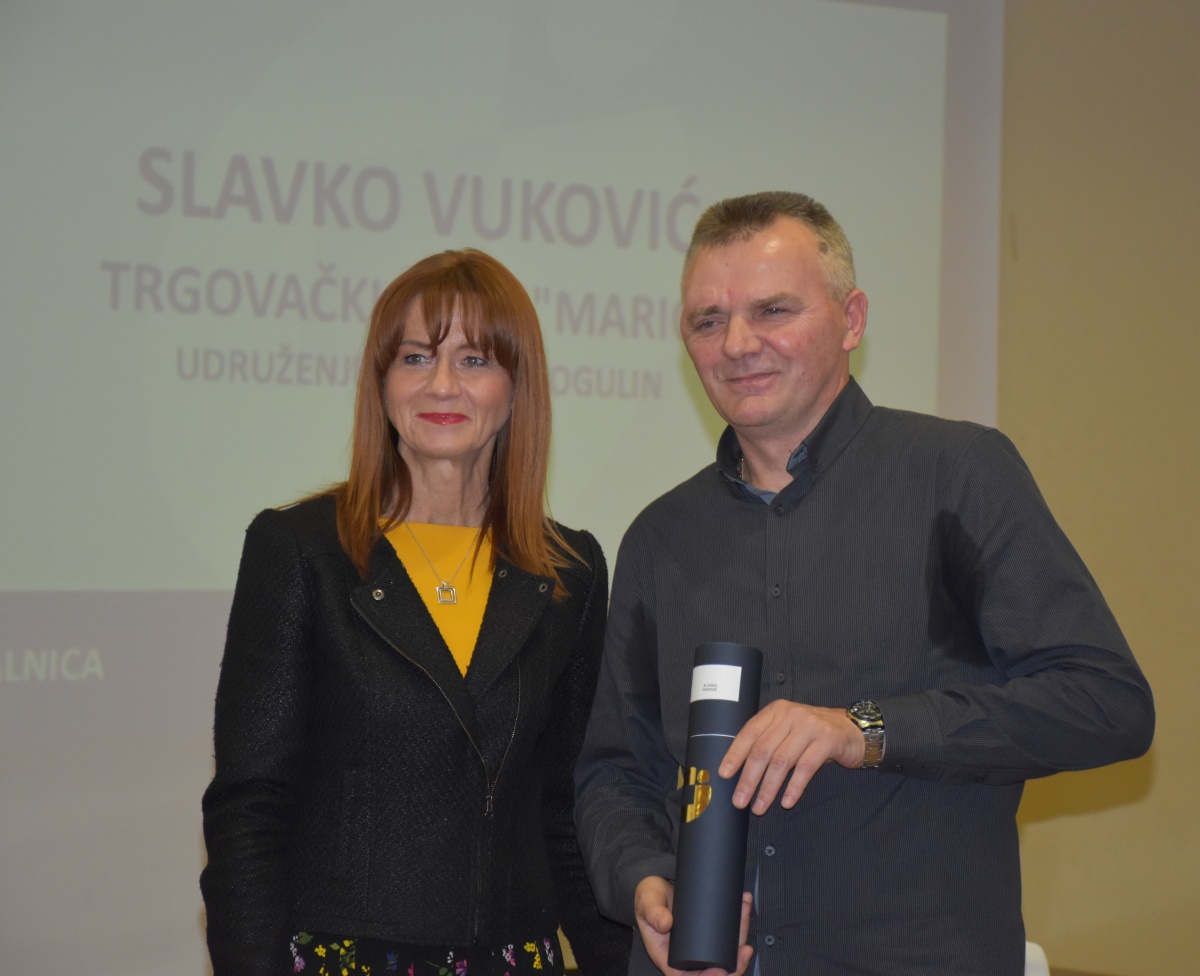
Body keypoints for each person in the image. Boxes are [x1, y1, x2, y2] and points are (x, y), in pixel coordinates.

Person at [573, 191, 1155, 976]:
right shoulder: (660, 537)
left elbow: (1106, 703)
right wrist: (643, 879)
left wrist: (867, 730)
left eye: (773, 310)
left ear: (852, 320)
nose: (737, 343)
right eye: (707, 321)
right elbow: (616, 772)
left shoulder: (957, 476)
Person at [201, 249, 631, 976]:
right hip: (343, 956)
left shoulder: (570, 571)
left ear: (516, 386)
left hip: (513, 955)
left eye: (474, 360)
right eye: (415, 357)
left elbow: (567, 810)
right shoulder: (300, 550)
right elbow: (251, 806)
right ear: (382, 382)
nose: (441, 384)